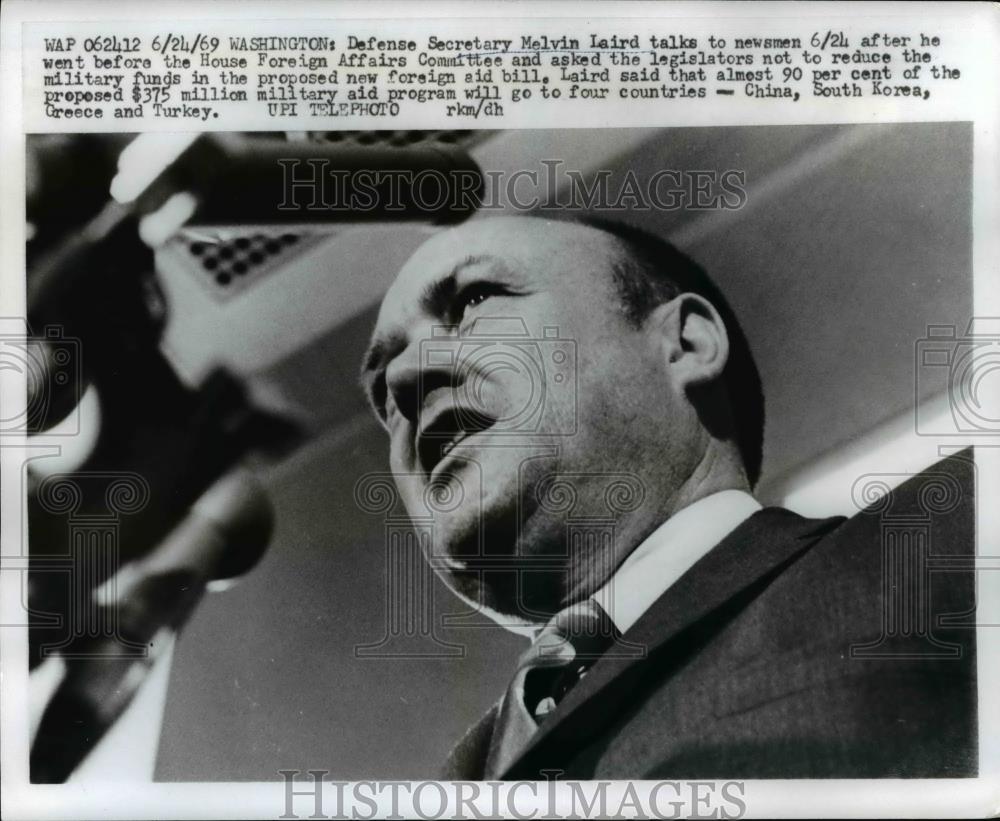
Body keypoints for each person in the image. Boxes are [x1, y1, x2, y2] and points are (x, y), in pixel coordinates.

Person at [360, 215, 976, 780]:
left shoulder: (958, 542)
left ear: (686, 343)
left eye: (473, 299)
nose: (404, 379)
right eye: (382, 392)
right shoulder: (450, 785)